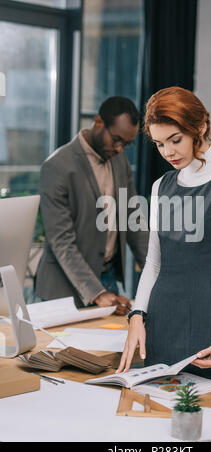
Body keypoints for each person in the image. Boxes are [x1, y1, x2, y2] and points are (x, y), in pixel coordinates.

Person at [117, 87, 211, 390]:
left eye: (175, 140)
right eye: (159, 144)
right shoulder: (161, 186)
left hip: (209, 322)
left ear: (201, 127)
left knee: (208, 421)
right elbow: (153, 262)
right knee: (156, 416)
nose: (168, 152)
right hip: (160, 320)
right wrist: (137, 315)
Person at [35, 96, 149, 315]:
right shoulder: (57, 166)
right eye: (116, 139)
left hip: (106, 279)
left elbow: (134, 220)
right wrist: (96, 293)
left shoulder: (120, 160)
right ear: (98, 122)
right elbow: (62, 242)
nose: (119, 149)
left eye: (126, 144)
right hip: (63, 288)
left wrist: (156, 272)